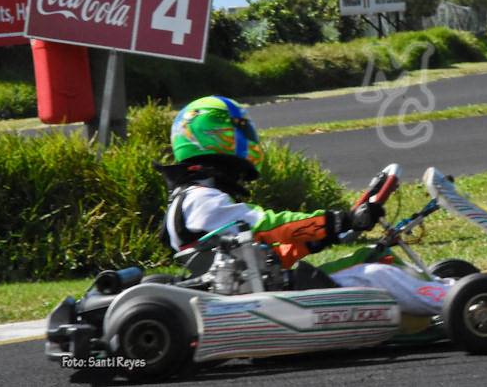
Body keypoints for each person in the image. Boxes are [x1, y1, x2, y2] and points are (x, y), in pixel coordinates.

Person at [156, 95, 452, 316]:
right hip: (260, 300)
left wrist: (319, 238)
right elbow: (272, 226)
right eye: (241, 131)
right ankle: (459, 300)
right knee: (375, 273)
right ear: (215, 134)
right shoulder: (200, 199)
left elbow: (260, 256)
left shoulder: (191, 198)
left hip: (257, 288)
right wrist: (341, 220)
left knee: (372, 256)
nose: (250, 140)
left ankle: (446, 288)